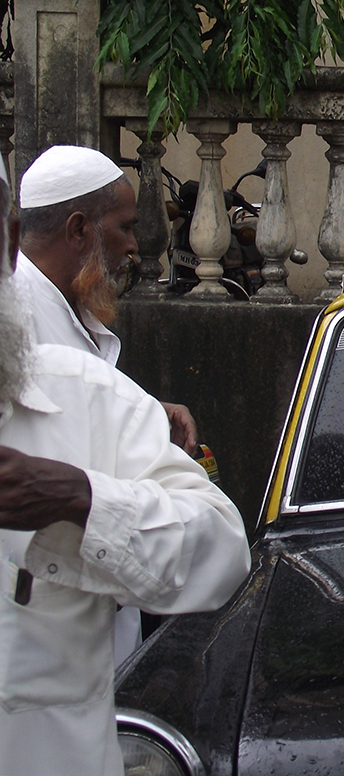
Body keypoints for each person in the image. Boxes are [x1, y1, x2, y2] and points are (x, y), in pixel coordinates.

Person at [0, 156, 251, 776]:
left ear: (7, 243)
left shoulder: (78, 387)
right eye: (126, 227)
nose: (139, 249)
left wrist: (80, 499)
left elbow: (221, 550)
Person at [16, 145, 199, 454]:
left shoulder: (69, 303)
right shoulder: (13, 311)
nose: (132, 246)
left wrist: (140, 412)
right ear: (78, 230)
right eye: (125, 227)